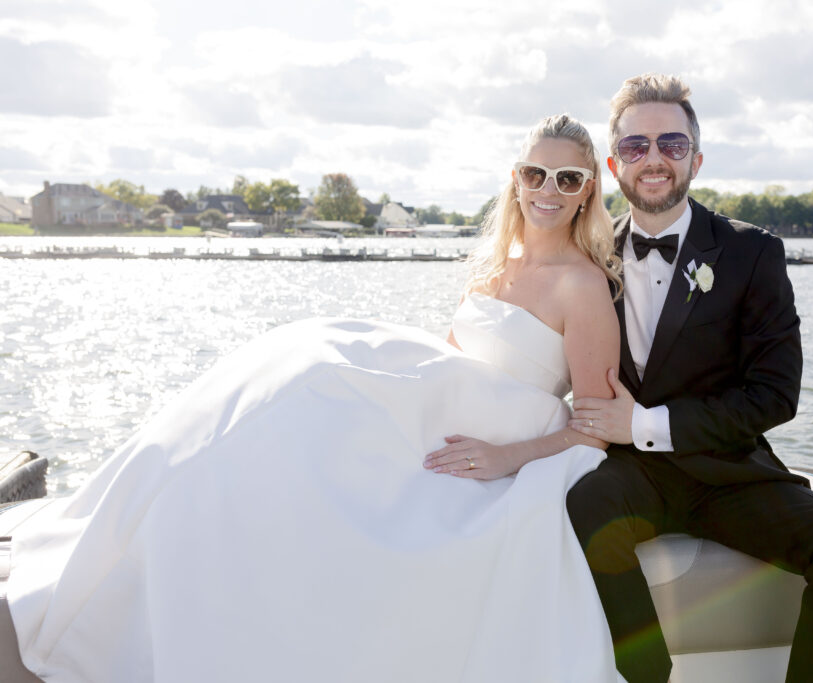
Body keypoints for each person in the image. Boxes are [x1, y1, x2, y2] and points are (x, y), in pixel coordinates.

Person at [8, 114, 627, 683]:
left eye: (566, 178)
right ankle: (135, 574)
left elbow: (593, 429)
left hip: (494, 457)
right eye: (533, 173)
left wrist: (502, 457)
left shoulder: (584, 287)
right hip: (438, 433)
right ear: (515, 180)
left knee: (315, 412)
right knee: (292, 390)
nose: (548, 188)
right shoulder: (494, 267)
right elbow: (449, 365)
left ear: (586, 191)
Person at [567, 74, 813, 683]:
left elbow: (775, 393)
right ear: (614, 163)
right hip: (635, 478)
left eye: (671, 144)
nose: (653, 159)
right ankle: (647, 675)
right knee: (584, 503)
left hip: (728, 473)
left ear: (696, 158)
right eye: (635, 147)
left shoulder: (751, 253)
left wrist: (644, 424)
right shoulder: (589, 254)